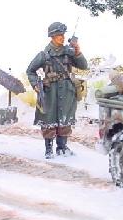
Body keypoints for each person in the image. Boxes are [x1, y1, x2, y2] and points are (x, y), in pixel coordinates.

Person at [26, 22, 88, 159]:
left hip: (67, 90)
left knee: (65, 118)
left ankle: (62, 147)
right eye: (59, 35)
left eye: (63, 35)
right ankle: (48, 149)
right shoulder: (44, 55)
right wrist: (36, 84)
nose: (62, 38)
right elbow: (30, 71)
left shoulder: (69, 52)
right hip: (50, 91)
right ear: (52, 37)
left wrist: (77, 52)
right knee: (48, 119)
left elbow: (84, 66)